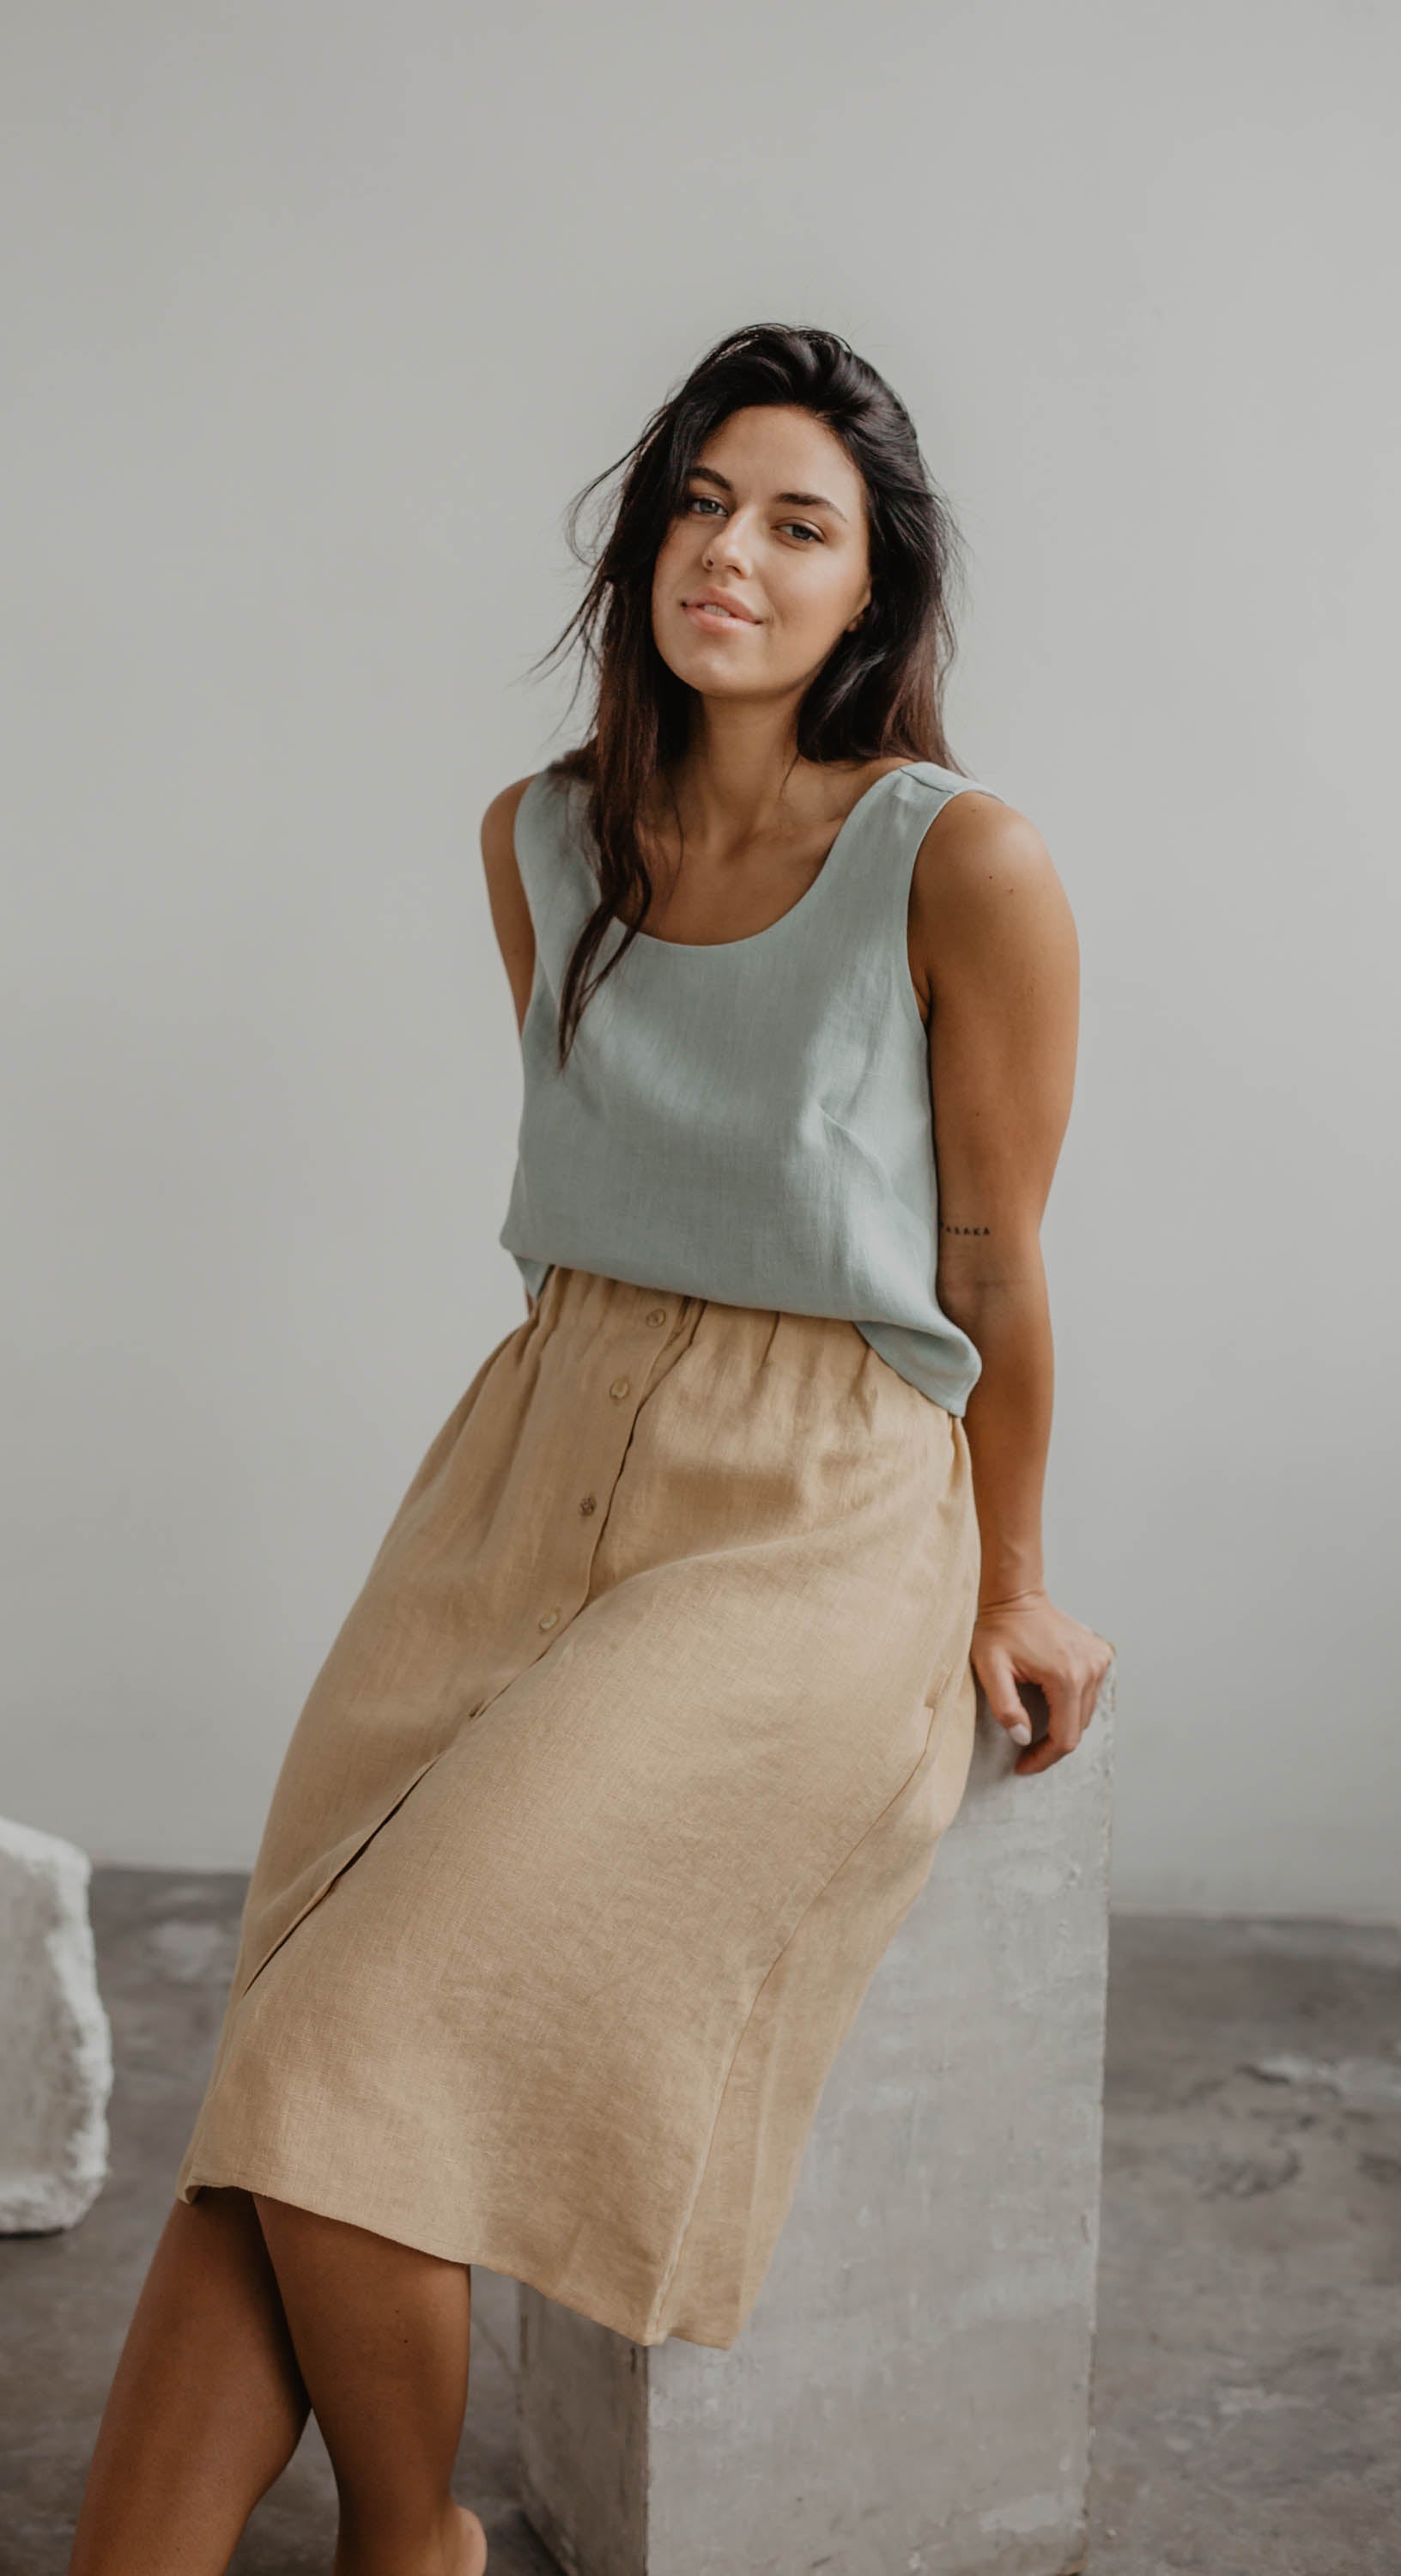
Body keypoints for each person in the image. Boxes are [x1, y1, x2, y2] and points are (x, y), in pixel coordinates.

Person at [67, 320, 1114, 2576]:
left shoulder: (965, 866)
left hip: (810, 1506)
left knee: (357, 2034)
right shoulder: (537, 842)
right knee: (277, 2070)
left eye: (796, 523)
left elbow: (997, 1272)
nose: (732, 552)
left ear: (873, 596)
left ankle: (408, 2538)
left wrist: (1011, 1574)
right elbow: (624, 1197)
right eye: (700, 505)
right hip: (522, 1460)